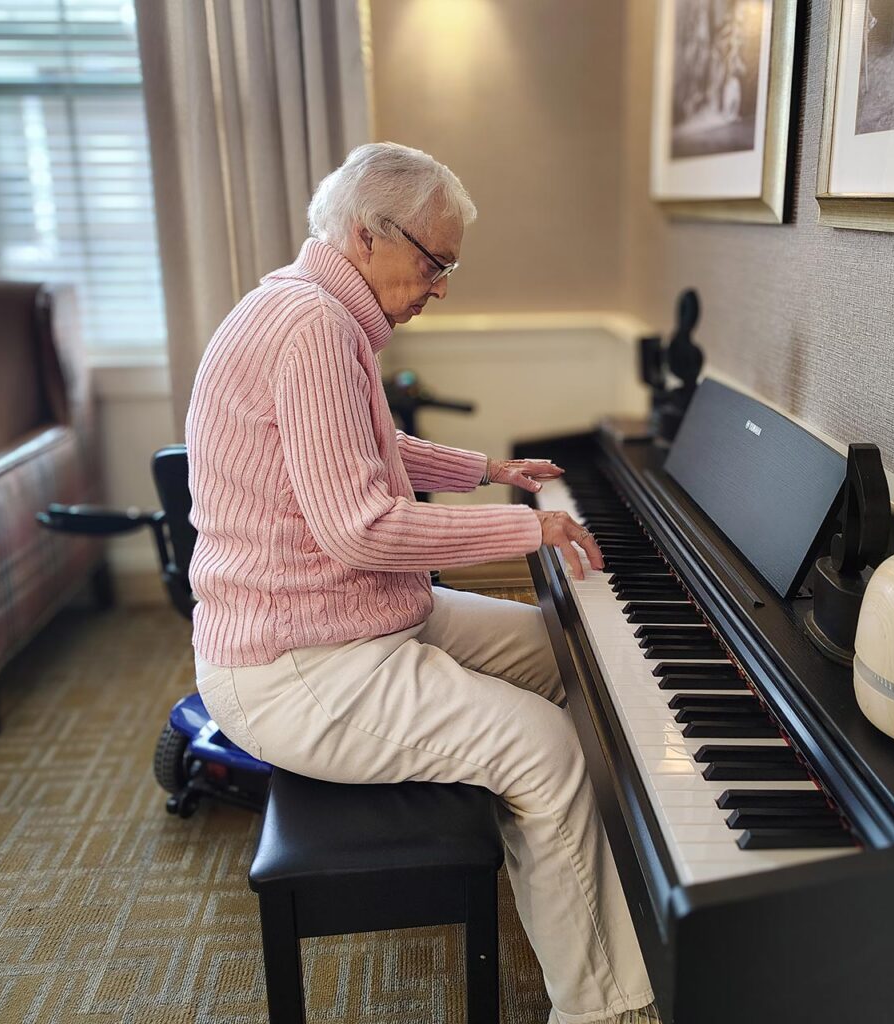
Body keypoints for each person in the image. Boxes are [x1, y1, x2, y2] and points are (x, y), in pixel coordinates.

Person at [186, 142, 658, 1024]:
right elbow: (361, 528)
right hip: (299, 665)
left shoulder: (312, 309)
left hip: (351, 622)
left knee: (571, 654)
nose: (442, 285)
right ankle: (603, 1006)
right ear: (368, 233)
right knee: (546, 749)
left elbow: (362, 447)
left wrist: (485, 467)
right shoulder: (314, 329)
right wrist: (528, 525)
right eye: (435, 261)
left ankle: (602, 894)